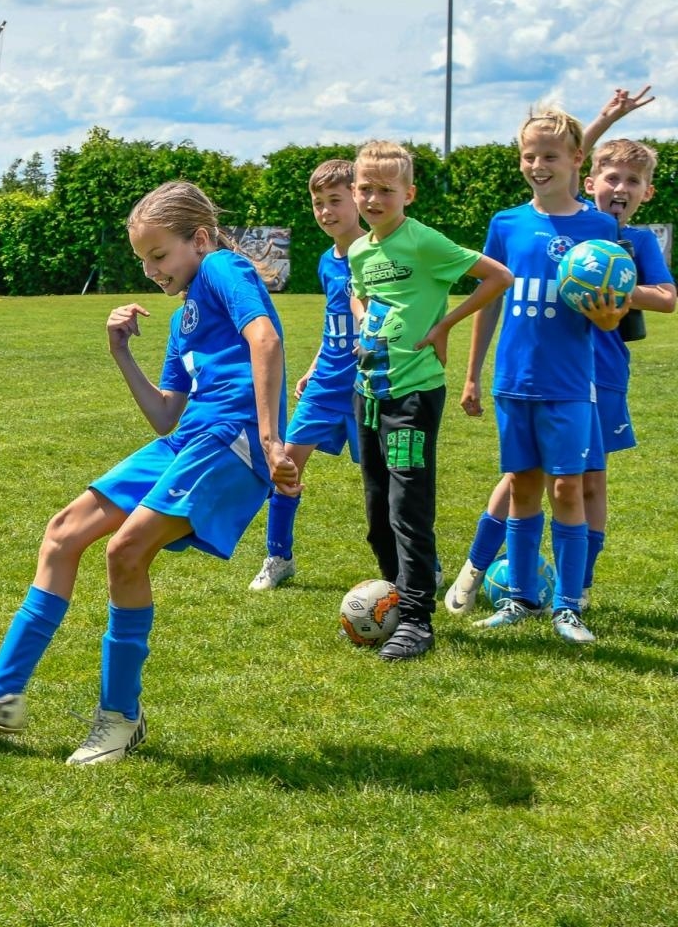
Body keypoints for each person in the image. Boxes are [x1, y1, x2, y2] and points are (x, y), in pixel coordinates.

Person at [0, 180, 298, 765]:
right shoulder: (182, 320)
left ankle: (120, 718)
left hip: (232, 441)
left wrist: (272, 442)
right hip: (187, 436)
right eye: (143, 261)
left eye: (159, 255)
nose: (151, 271)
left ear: (198, 239)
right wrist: (120, 351)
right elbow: (166, 412)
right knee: (64, 532)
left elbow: (265, 339)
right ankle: (1, 692)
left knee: (124, 551)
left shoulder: (222, 268)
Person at [446, 90, 676, 616]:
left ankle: (577, 591)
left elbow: (662, 299)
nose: (619, 189)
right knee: (521, 478)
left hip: (595, 376)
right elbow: (561, 159)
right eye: (609, 179)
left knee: (581, 483)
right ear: (592, 180)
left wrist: (612, 304)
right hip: (526, 373)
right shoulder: (520, 221)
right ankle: (481, 569)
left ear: (647, 192)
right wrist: (602, 120)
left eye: (632, 182)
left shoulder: (619, 237)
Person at [347, 141, 512, 660]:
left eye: (385, 190)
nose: (374, 199)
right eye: (365, 189)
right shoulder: (359, 250)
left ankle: (416, 620)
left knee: (407, 507)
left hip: (412, 396)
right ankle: (396, 596)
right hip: (368, 393)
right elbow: (362, 294)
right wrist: (364, 324)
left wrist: (444, 324)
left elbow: (498, 277)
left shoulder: (423, 243)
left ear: (408, 194)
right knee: (377, 511)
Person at [250, 159, 366, 590]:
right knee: (285, 466)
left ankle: (412, 566)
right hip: (325, 384)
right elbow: (334, 320)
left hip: (367, 387)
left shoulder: (378, 254)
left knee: (384, 480)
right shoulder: (326, 260)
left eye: (335, 201)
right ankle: (278, 557)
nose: (326, 211)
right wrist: (316, 365)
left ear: (359, 198)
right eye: (318, 203)